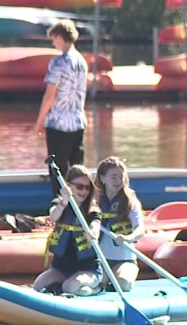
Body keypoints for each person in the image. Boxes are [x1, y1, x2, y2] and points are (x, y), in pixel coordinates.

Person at [33, 19, 88, 198]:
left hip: (59, 123)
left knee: (57, 169)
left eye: (54, 38)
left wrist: (40, 121)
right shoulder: (81, 61)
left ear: (59, 36)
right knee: (77, 168)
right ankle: (81, 205)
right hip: (78, 120)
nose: (53, 42)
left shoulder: (58, 63)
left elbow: (50, 95)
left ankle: (61, 207)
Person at [33, 164, 102, 296]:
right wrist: (64, 202)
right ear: (69, 186)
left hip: (87, 269)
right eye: (80, 187)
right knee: (38, 286)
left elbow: (96, 225)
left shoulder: (92, 210)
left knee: (69, 287)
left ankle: (97, 287)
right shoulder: (59, 204)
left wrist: (93, 232)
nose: (84, 191)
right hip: (61, 268)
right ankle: (67, 289)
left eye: (87, 188)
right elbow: (53, 217)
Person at [95, 156, 145, 291]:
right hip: (100, 260)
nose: (118, 181)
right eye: (113, 177)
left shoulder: (130, 201)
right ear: (102, 178)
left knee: (123, 283)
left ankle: (117, 281)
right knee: (95, 284)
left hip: (124, 260)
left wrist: (129, 238)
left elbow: (140, 229)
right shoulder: (94, 201)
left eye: (121, 176)